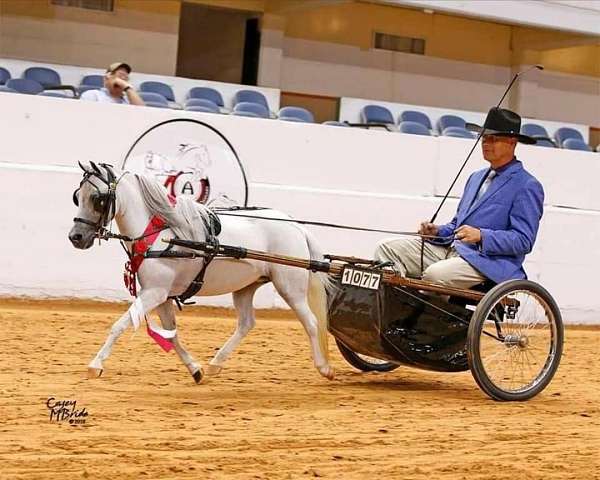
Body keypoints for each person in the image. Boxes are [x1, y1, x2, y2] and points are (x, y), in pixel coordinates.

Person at [374, 107, 544, 290]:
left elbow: (523, 241)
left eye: (493, 139)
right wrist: (438, 231)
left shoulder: (527, 185)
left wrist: (482, 236)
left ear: (512, 142)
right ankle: (397, 306)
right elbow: (457, 225)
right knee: (386, 248)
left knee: (435, 274)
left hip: (487, 261)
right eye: (484, 138)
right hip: (450, 250)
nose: (486, 143)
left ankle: (427, 316)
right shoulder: (476, 177)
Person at [80, 62, 144, 106]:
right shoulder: (93, 94)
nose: (122, 80)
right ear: (107, 77)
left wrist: (128, 88)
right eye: (120, 75)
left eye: (126, 77)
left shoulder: (129, 100)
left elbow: (142, 113)